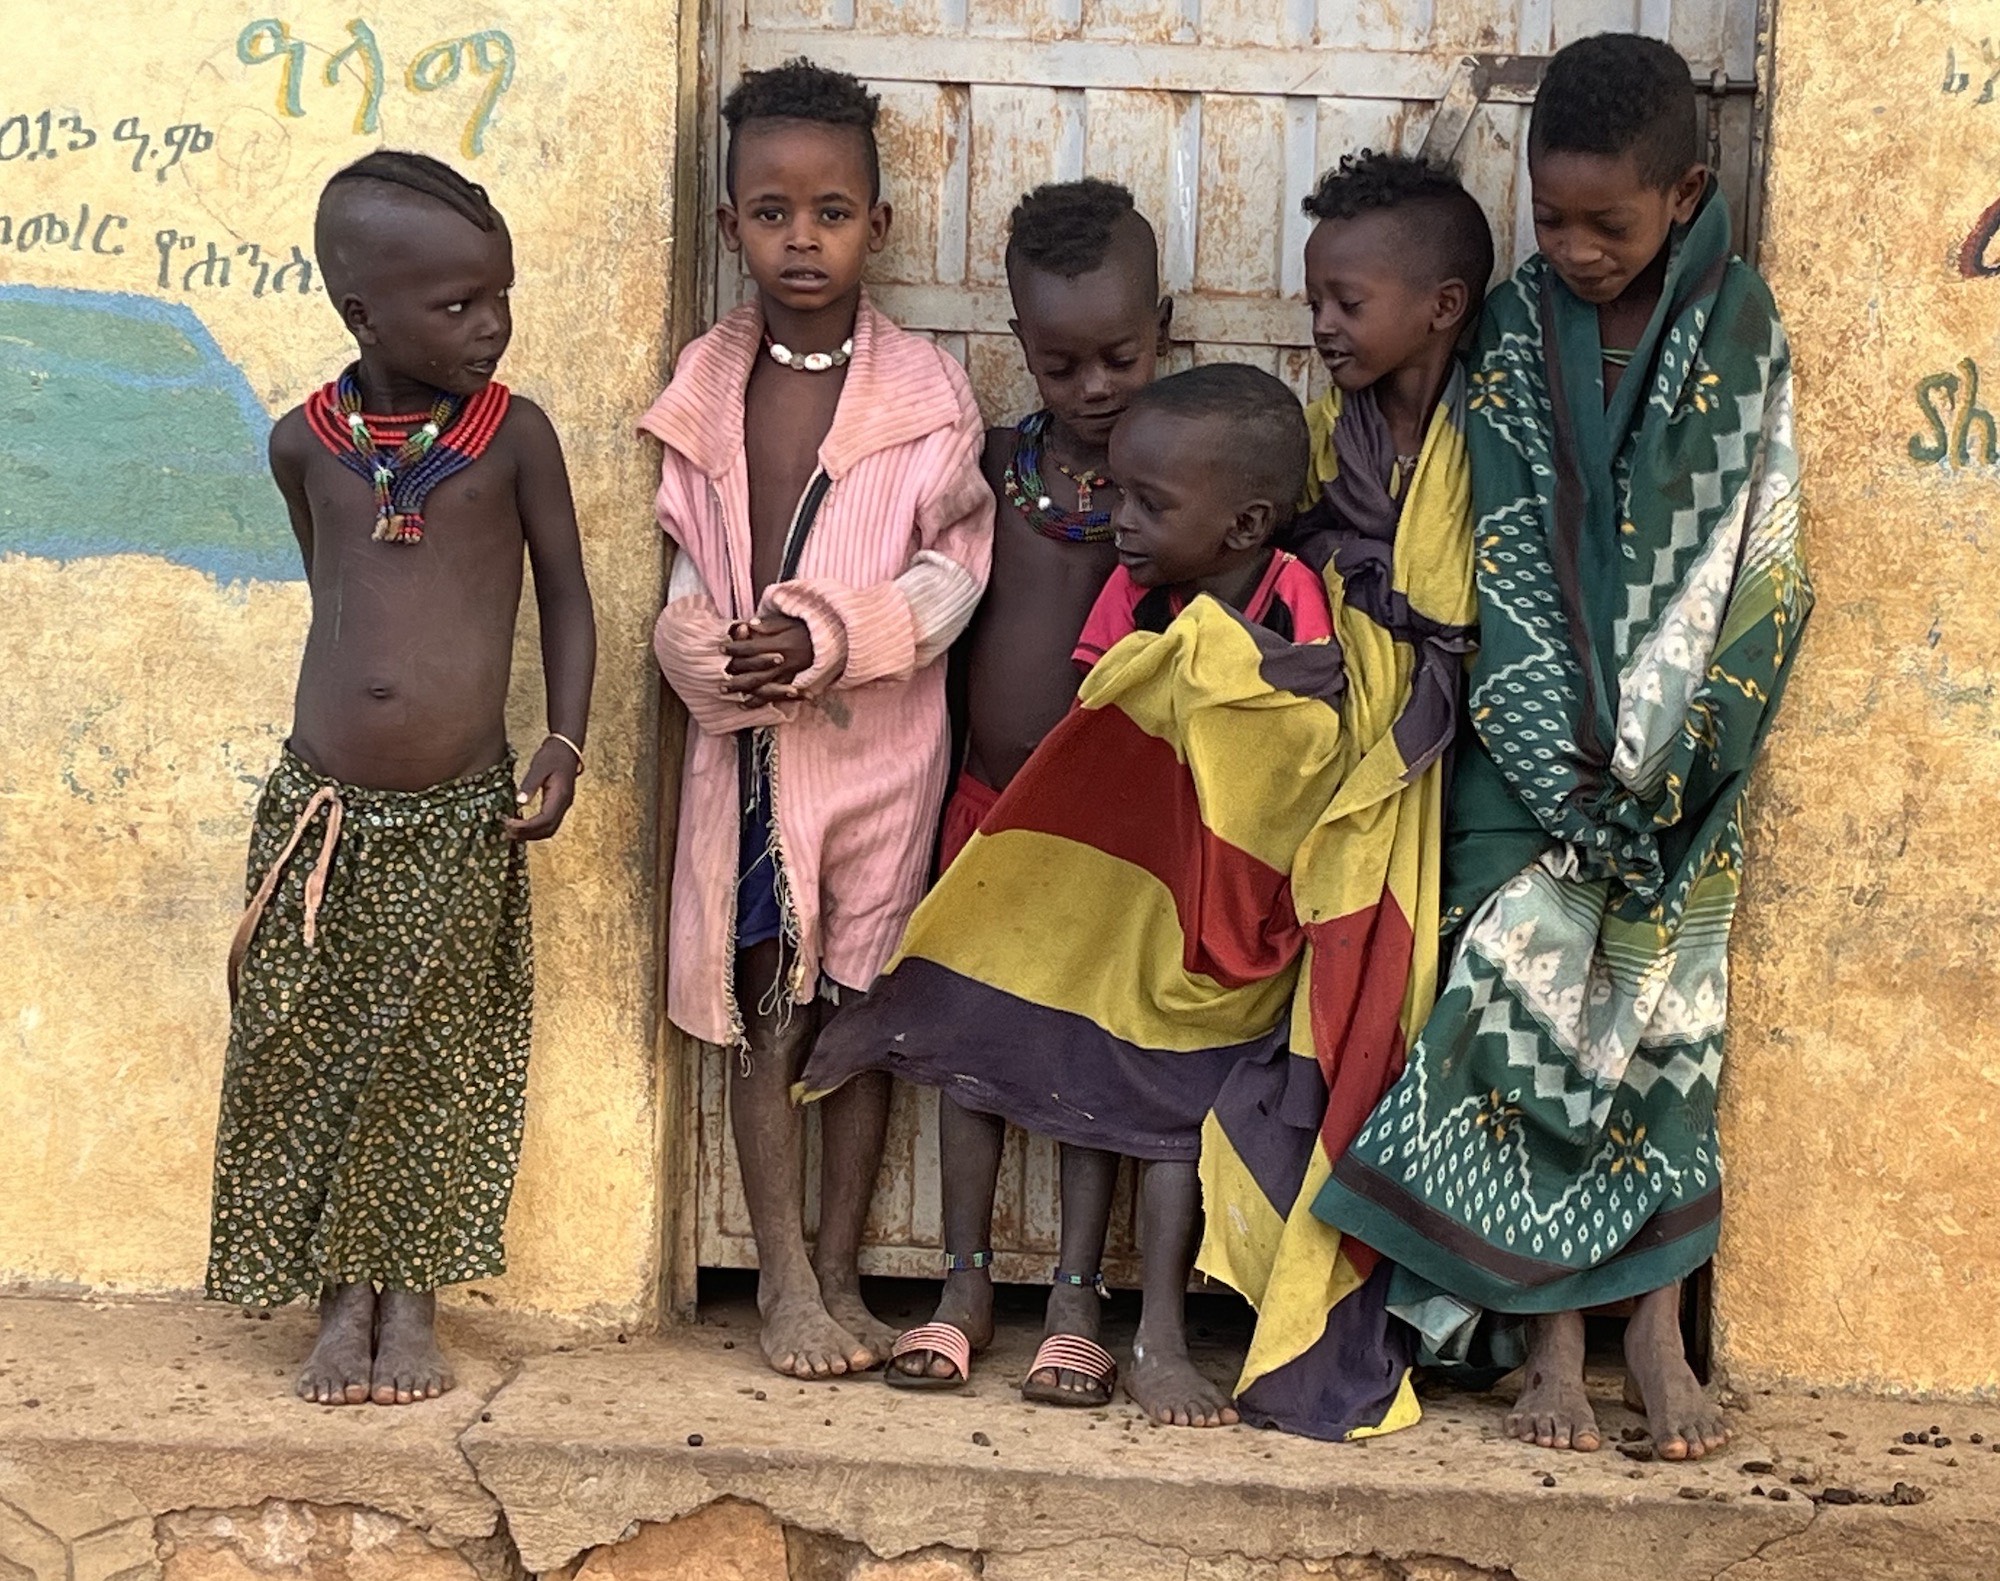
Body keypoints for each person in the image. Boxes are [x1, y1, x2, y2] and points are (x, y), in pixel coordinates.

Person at [1314, 33, 1812, 1462]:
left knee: (1661, 1037)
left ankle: (1653, 1334)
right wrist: (1561, 770)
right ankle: (1551, 1346)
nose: (1580, 249)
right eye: (1554, 218)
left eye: (1614, 222)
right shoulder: (1519, 330)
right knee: (1519, 1031)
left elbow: (1758, 558)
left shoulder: (1741, 329)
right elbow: (1509, 552)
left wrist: (1679, 760)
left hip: (1684, 769)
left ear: (1688, 192)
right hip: (1526, 769)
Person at [805, 364, 1332, 1428]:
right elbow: (1101, 717)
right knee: (980, 1044)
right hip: (1093, 881)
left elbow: (1303, 731)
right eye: (1118, 496)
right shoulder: (1132, 591)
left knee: (1163, 1110)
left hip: (1207, 915)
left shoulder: (1289, 593)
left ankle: (1129, 1324)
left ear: (1245, 522)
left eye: (1146, 505)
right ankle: (965, 1281)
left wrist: (1213, 676)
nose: (1117, 522)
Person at [205, 150, 597, 1408]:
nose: (488, 325)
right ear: (360, 314)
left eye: (499, 296)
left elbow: (569, 601)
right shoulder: (298, 447)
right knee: (310, 1054)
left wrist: (565, 741)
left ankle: (411, 1300)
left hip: (457, 816)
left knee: (435, 1059)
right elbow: (337, 599)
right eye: (453, 305)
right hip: (319, 810)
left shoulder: (513, 438)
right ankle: (337, 1300)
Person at [642, 58, 993, 1382]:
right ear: (731, 222)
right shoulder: (707, 385)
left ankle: (843, 1265)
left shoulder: (924, 398)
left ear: (879, 228)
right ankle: (782, 1274)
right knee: (763, 1005)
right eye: (773, 211)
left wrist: (837, 633)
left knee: (862, 1010)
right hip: (749, 756)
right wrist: (705, 651)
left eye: (832, 212)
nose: (803, 237)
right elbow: (685, 565)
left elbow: (955, 571)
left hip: (882, 756)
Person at [1189, 151, 1492, 1442]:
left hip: (1462, 781)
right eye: (1314, 298)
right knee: (1316, 1031)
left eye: (1347, 301)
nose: (1322, 324)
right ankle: (1291, 1294)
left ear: (1444, 305)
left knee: (1440, 1043)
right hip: (1347, 789)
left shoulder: (1502, 440)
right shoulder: (1323, 443)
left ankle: (1443, 1317)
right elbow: (1284, 578)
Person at [886, 179, 1171, 1405]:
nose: (1095, 387)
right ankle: (960, 1285)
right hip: (986, 810)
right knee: (969, 1057)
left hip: (1111, 838)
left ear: (1165, 326)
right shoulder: (994, 469)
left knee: (1088, 1059)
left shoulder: (1179, 479)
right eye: (1060, 365)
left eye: (1119, 355)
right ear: (1018, 350)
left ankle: (1072, 1300)